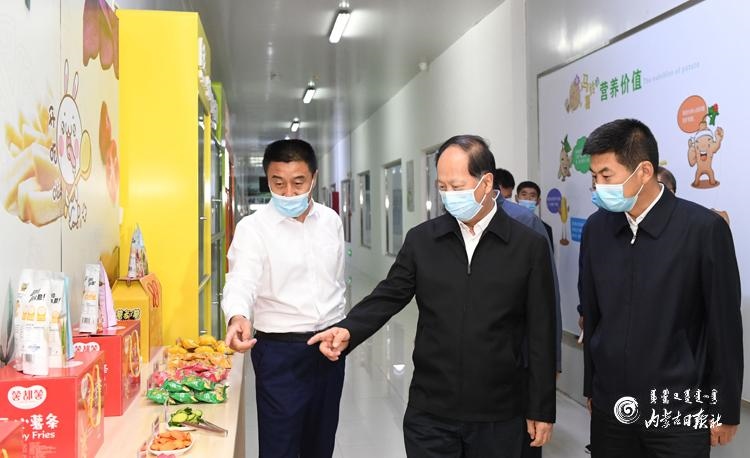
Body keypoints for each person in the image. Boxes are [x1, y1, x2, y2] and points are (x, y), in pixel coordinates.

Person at [310, 135, 557, 457]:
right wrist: (349, 328)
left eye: (457, 186)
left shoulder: (527, 246)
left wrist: (541, 407)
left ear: (486, 183)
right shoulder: (423, 240)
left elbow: (541, 331)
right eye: (442, 187)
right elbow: (389, 294)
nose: (449, 195)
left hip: (500, 410)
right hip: (431, 408)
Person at [579, 119, 742, 457]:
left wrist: (725, 408)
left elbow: (724, 326)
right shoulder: (597, 229)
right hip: (612, 407)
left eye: (606, 176)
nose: (598, 187)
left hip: (678, 411)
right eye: (594, 177)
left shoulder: (702, 229)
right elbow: (593, 315)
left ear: (643, 171)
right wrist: (592, 387)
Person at [222, 139, 347, 458]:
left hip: (330, 347)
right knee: (280, 445)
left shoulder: (331, 221)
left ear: (314, 178)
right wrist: (238, 315)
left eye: (298, 182)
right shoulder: (253, 228)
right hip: (280, 352)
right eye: (278, 183)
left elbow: (336, 282)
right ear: (268, 180)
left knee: (321, 441)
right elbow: (241, 279)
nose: (288, 192)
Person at [515, 180, 554, 252]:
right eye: (524, 194)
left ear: (538, 201)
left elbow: (548, 255)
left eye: (532, 196)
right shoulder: (507, 223)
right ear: (516, 198)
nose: (528, 198)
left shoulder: (546, 229)